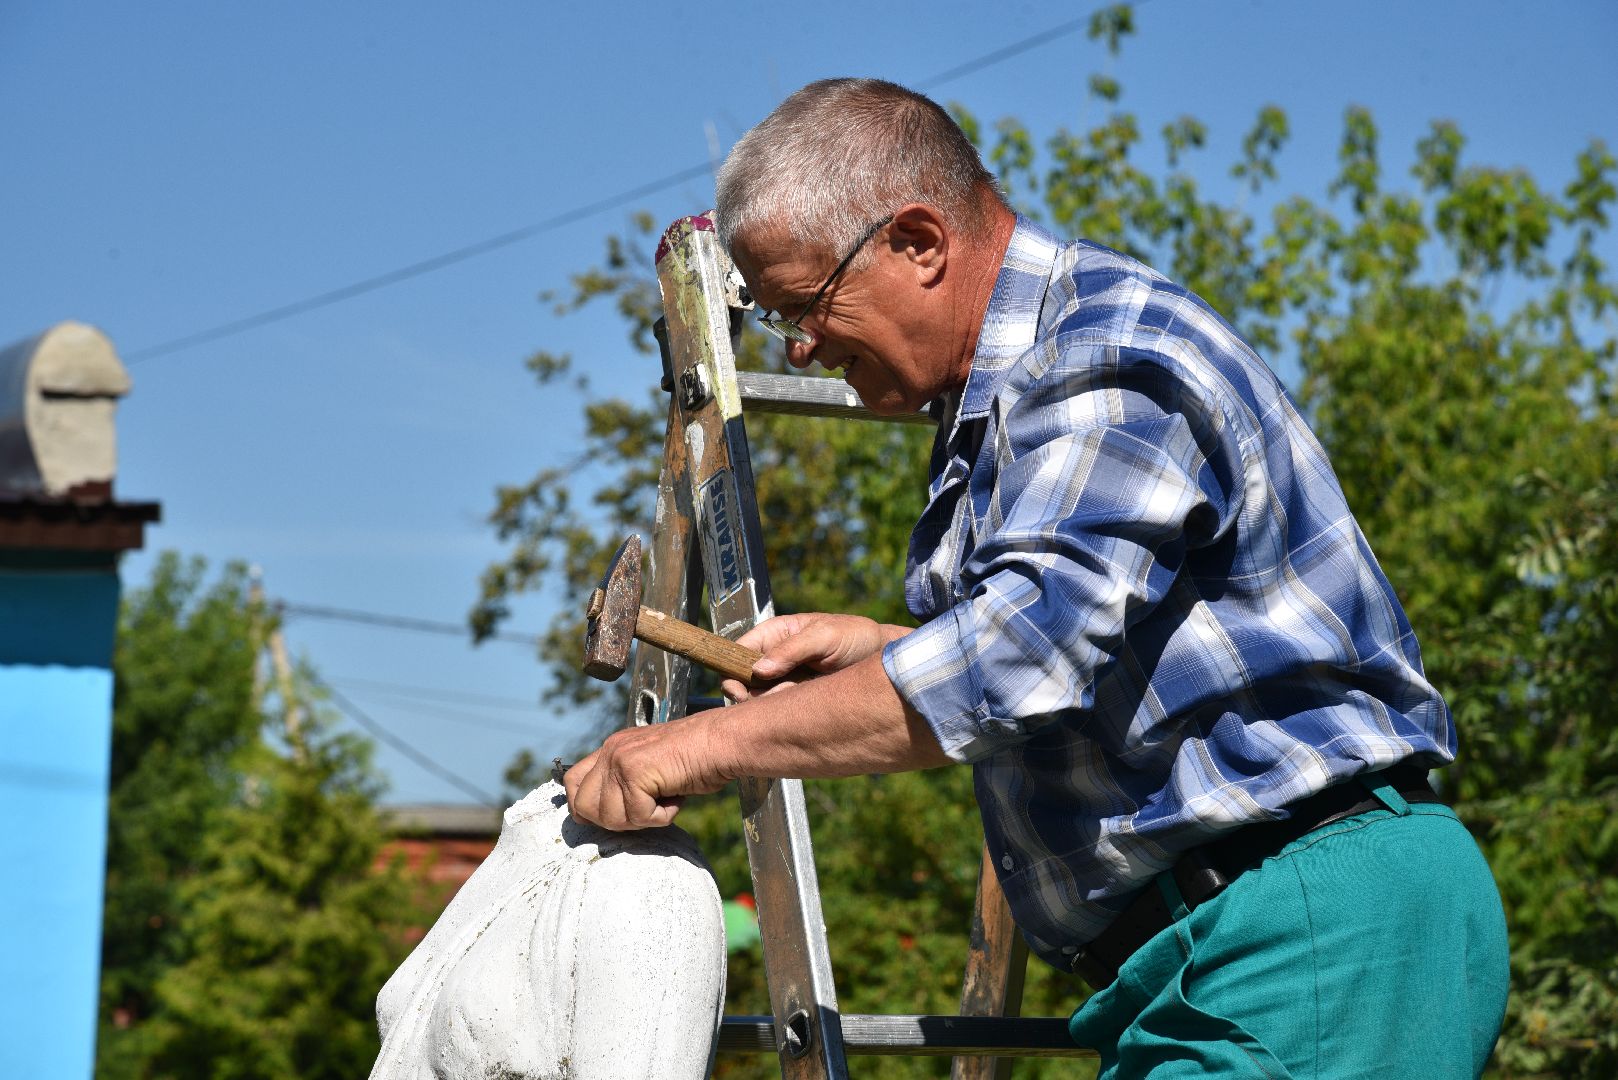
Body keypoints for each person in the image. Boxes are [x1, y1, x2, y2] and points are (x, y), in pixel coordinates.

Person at [563, 78, 1508, 1077]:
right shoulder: (1013, 398)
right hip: (1252, 940)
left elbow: (1015, 662)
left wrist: (692, 746)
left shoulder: (1099, 358)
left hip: (1301, 932)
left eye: (806, 306)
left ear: (918, 242)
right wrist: (885, 652)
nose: (800, 349)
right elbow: (1106, 656)